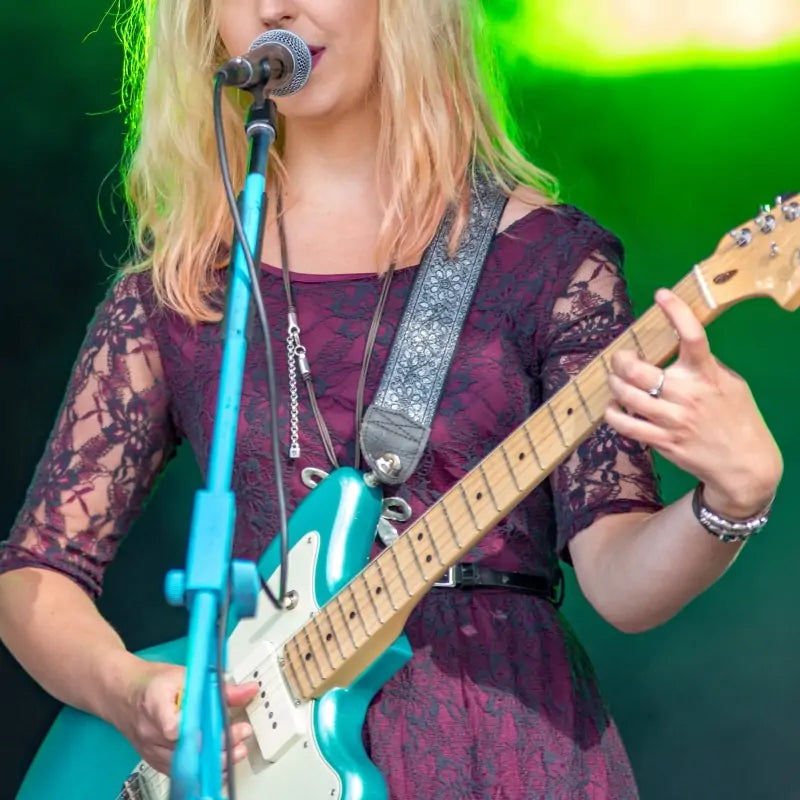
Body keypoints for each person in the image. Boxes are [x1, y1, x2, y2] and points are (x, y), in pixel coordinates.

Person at [0, 0, 783, 797]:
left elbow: (620, 585)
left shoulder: (549, 261)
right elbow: (35, 576)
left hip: (495, 740)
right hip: (258, 762)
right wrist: (127, 692)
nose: (277, 7)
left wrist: (732, 498)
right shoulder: (180, 290)